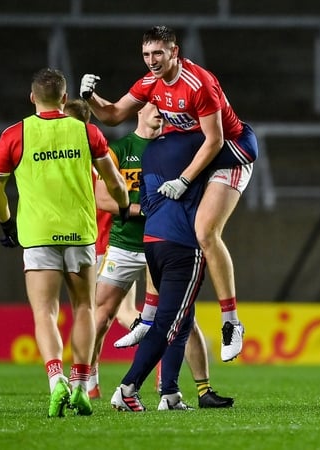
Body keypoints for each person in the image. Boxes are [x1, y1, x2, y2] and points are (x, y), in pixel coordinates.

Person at [79, 25, 258, 362]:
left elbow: (215, 140)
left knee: (205, 232)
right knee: (160, 227)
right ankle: (149, 315)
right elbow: (115, 114)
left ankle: (231, 321)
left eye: (158, 53)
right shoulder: (150, 82)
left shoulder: (198, 83)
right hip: (193, 153)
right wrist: (91, 98)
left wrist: (185, 180)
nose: (151, 60)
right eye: (146, 54)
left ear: (174, 51)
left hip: (229, 153)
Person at [0, 68, 130, 418]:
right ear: (65, 99)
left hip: (37, 235)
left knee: (45, 312)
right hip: (81, 234)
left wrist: (7, 225)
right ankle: (81, 386)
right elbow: (114, 182)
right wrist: (124, 206)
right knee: (84, 309)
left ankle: (56, 381)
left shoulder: (14, 134)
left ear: (32, 97)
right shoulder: (86, 131)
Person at [90, 102, 234, 408]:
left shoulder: (159, 150)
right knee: (155, 318)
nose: (160, 112)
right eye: (154, 106)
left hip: (154, 242)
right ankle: (110, 385)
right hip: (153, 242)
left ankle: (173, 390)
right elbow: (100, 196)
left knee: (180, 318)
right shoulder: (150, 146)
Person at [65, 98, 141, 335]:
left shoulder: (74, 162)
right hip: (120, 242)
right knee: (124, 311)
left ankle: (86, 373)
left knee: (90, 312)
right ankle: (161, 335)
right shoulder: (104, 157)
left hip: (97, 245)